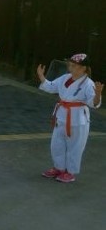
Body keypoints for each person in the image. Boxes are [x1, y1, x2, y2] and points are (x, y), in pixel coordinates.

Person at [36, 53, 103, 183]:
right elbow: (50, 87)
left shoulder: (88, 84)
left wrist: (98, 94)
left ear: (83, 68)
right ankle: (59, 167)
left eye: (74, 65)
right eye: (70, 65)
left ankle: (70, 172)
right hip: (61, 114)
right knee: (57, 143)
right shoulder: (65, 78)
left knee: (75, 146)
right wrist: (41, 76)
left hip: (78, 118)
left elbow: (93, 103)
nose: (70, 68)